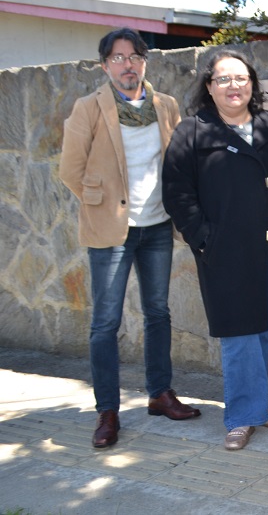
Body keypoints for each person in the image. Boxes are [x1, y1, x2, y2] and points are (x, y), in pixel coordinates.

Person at [162, 50, 268, 451]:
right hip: (226, 252)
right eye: (224, 79)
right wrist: (204, 238)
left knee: (263, 329)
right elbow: (177, 194)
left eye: (241, 78)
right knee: (239, 333)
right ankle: (241, 416)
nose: (234, 86)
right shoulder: (193, 132)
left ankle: (256, 405)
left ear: (252, 83)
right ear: (209, 87)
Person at [59, 28, 200, 449]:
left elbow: (176, 159)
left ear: (145, 62)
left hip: (156, 225)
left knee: (158, 312)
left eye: (135, 56)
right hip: (111, 230)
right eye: (118, 58)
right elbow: (71, 168)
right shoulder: (88, 109)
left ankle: (159, 394)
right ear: (105, 66)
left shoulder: (165, 106)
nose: (128, 64)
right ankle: (107, 410)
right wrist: (99, 201)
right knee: (106, 322)